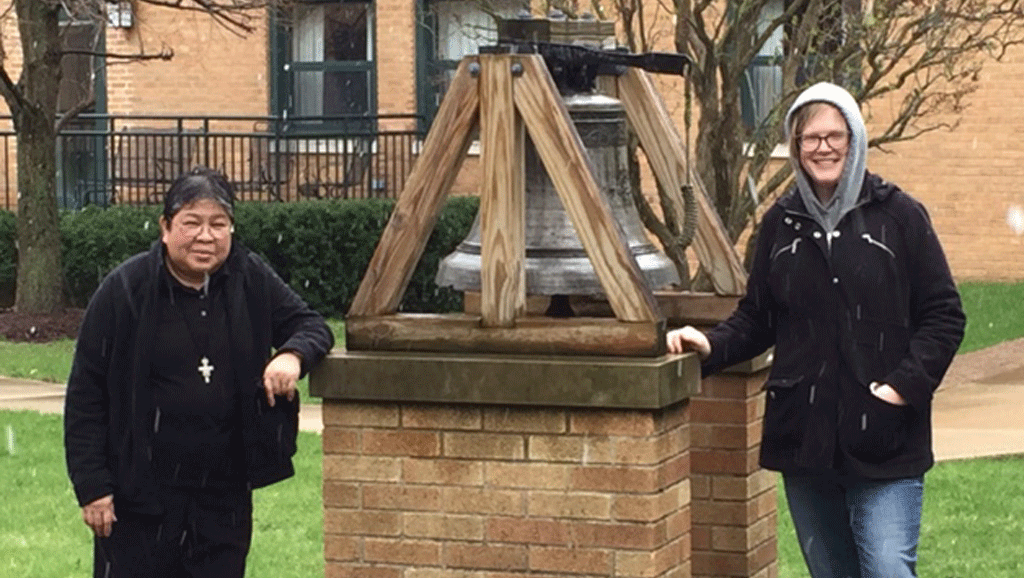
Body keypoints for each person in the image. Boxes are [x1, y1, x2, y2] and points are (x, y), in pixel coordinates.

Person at [667, 83, 965, 578]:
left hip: (886, 437)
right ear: (796, 145)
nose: (823, 147)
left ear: (855, 139)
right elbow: (759, 316)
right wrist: (711, 344)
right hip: (805, 440)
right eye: (810, 138)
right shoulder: (781, 224)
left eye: (834, 136)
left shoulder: (900, 217)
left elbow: (944, 315)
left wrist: (900, 387)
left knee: (887, 569)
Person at [64, 166, 334, 578]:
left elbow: (313, 326)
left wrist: (292, 355)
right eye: (192, 223)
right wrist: (93, 486)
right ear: (165, 228)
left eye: (218, 224)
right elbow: (86, 395)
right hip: (139, 495)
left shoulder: (248, 277)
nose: (206, 236)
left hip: (223, 496)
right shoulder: (125, 290)